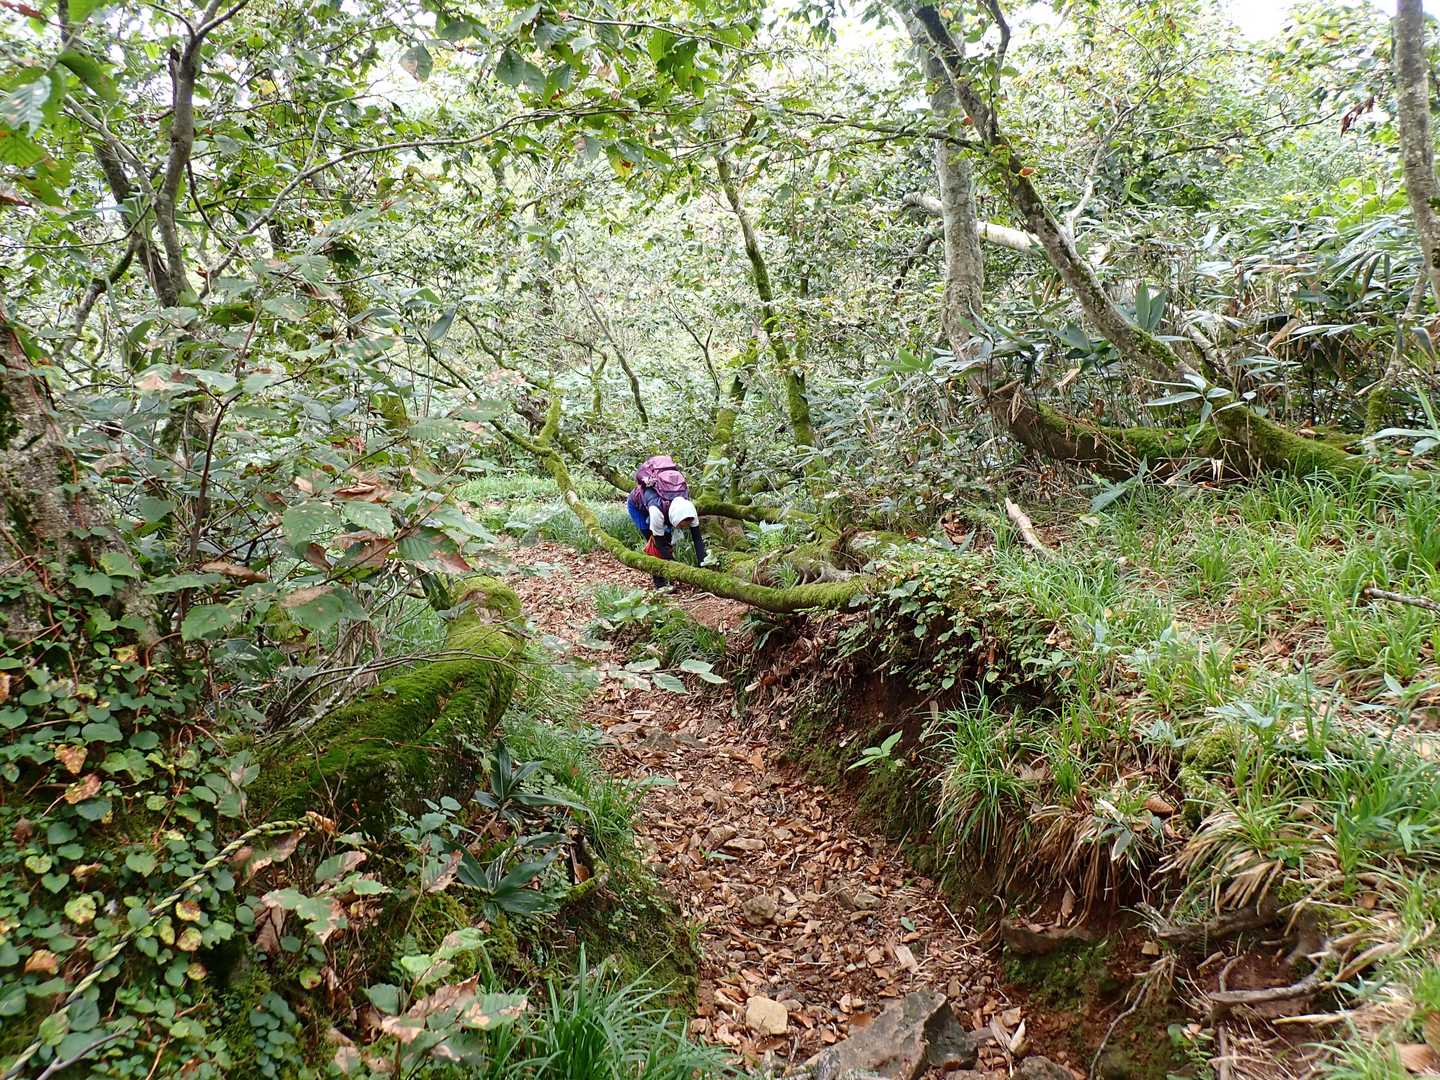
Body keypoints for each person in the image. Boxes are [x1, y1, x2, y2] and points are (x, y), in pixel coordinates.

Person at [625, 455, 708, 588]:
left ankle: (668, 575)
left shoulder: (690, 510)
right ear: (675, 519)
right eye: (681, 526)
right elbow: (660, 545)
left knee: (667, 539)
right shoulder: (657, 513)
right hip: (638, 507)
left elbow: (698, 540)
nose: (683, 528)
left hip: (663, 509)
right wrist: (679, 570)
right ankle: (660, 583)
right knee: (654, 543)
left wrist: (704, 567)